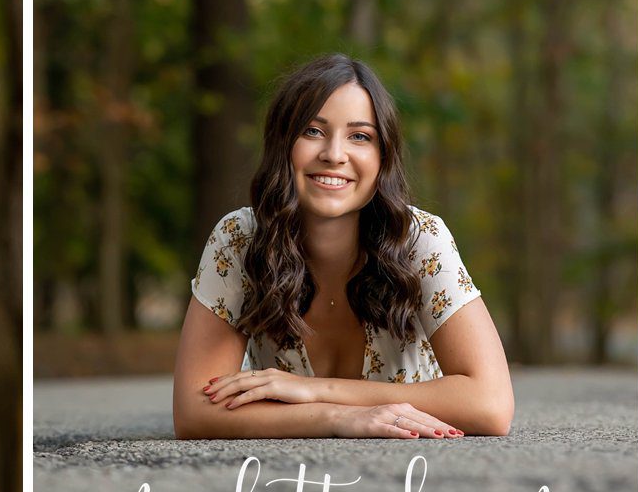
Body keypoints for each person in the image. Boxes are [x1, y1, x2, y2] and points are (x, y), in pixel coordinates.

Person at [173, 53, 514, 439]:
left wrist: (316, 391)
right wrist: (336, 418)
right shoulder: (238, 240)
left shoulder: (419, 239)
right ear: (283, 143)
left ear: (382, 158)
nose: (334, 154)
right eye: (313, 131)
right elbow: (194, 411)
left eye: (360, 136)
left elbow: (491, 405)